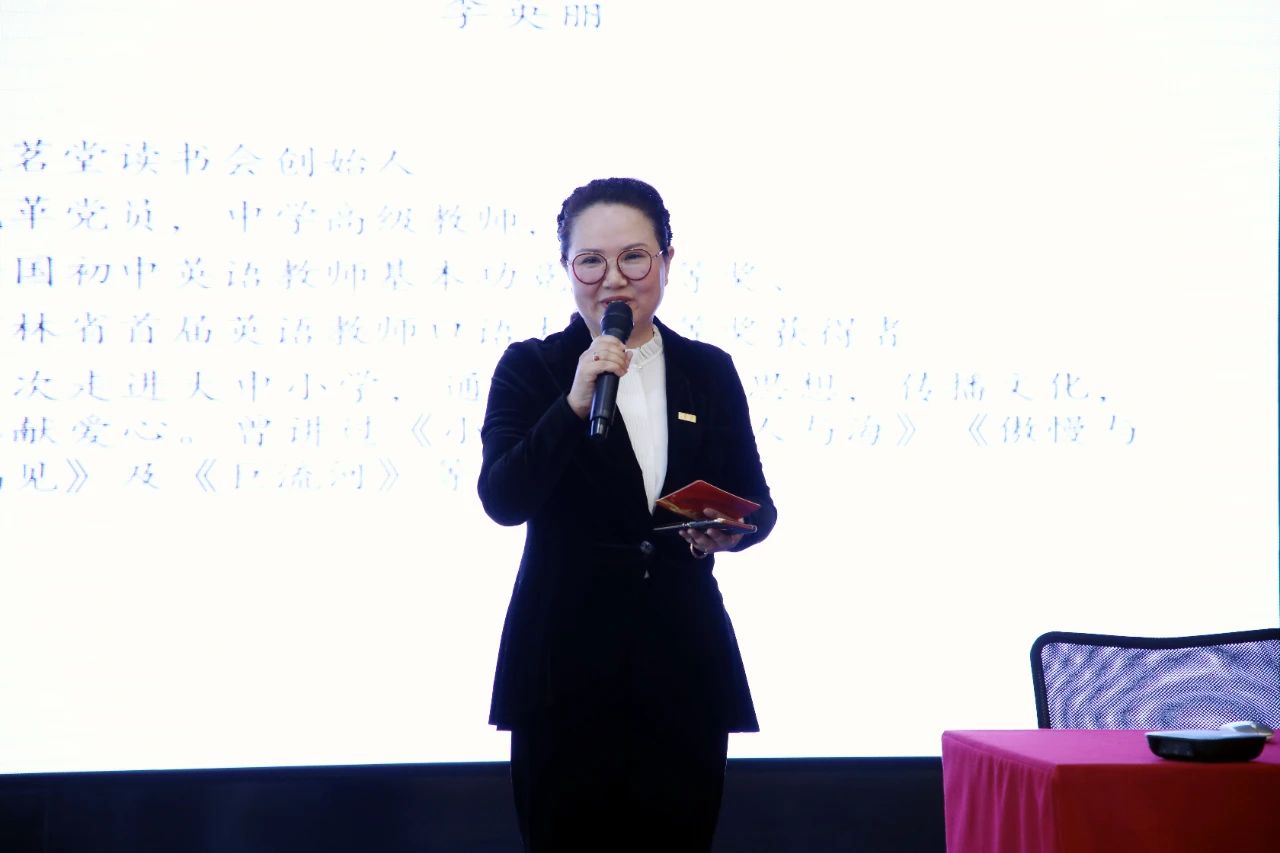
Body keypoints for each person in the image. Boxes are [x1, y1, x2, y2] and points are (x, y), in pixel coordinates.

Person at [477, 177, 777, 852]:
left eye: (634, 257)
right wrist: (573, 403)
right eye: (591, 261)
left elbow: (758, 502)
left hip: (682, 667)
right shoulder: (532, 368)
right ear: (567, 268)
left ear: (666, 260)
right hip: (562, 671)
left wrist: (730, 530)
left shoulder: (708, 370)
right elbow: (503, 498)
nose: (613, 279)